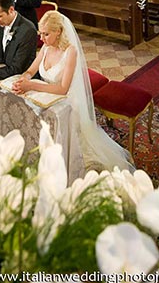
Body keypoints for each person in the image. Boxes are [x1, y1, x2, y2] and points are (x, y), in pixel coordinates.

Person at [12, 10, 133, 171]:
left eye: (46, 34)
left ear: (59, 32)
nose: (41, 39)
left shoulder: (70, 51)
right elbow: (32, 69)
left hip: (66, 100)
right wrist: (25, 78)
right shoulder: (46, 47)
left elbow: (63, 89)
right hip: (46, 94)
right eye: (40, 34)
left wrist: (32, 85)